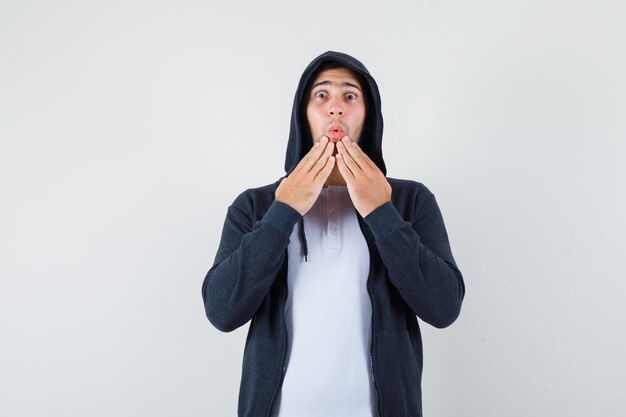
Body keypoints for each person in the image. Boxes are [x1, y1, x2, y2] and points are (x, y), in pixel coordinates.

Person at [202, 51, 465, 417]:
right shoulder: (256, 205)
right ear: (303, 115)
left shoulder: (409, 200)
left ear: (367, 115)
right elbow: (221, 311)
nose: (335, 109)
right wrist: (284, 210)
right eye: (321, 95)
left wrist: (380, 211)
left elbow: (443, 307)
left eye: (350, 96)